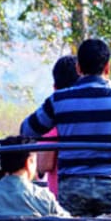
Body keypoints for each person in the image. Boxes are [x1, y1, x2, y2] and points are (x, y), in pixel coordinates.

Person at [20, 38, 111, 216]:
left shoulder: (59, 100)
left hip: (71, 187)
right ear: (107, 67)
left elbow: (27, 130)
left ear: (78, 68)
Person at [35, 55, 82, 196]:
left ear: (55, 88)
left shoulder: (54, 122)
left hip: (63, 199)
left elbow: (44, 165)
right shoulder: (98, 116)